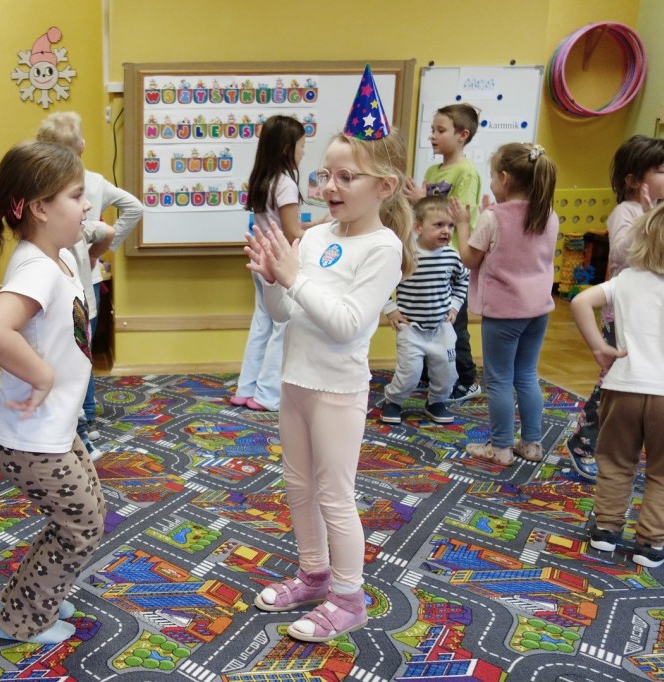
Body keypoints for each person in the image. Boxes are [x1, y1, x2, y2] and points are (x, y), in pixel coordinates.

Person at [246, 66, 416, 643]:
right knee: (298, 486)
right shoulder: (316, 236)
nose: (331, 187)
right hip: (295, 381)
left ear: (385, 187)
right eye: (325, 175)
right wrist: (273, 277)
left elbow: (346, 325)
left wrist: (293, 278)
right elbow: (282, 314)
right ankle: (314, 574)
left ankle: (349, 596)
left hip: (338, 389)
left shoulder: (383, 247)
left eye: (347, 177)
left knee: (334, 494)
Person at [0, 142, 105, 645]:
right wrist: (43, 376)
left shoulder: (56, 256)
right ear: (40, 208)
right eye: (76, 195)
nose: (87, 205)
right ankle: (19, 620)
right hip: (29, 437)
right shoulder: (38, 268)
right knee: (79, 527)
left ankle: (36, 594)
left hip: (51, 427)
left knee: (85, 513)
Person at [572, 199, 664, 567]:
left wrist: (599, 347)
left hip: (623, 386)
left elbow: (580, 302)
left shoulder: (628, 279)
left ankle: (605, 531)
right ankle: (650, 544)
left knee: (616, 461)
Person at [566, 135, 664, 481]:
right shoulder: (627, 212)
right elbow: (622, 253)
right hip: (624, 312)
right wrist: (647, 217)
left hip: (655, 310)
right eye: (663, 170)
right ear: (633, 180)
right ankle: (583, 442)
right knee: (615, 379)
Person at [36, 111, 143, 452]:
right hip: (86, 279)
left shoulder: (47, 187)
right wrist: (100, 250)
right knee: (83, 353)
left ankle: (79, 419)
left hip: (67, 280)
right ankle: (89, 419)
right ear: (81, 146)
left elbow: (132, 209)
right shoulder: (94, 181)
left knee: (67, 353)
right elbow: (134, 208)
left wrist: (98, 249)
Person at [452, 142, 558, 467]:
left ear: (505, 179)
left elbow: (470, 259)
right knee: (526, 375)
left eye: (493, 178)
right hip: (537, 311)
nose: (492, 183)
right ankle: (532, 444)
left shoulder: (493, 217)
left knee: (498, 379)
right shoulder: (548, 214)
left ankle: (500, 448)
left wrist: (462, 223)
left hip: (504, 313)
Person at [404, 103, 482, 403]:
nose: (432, 136)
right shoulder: (433, 170)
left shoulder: (466, 172)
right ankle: (431, 372)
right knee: (425, 314)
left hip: (450, 260)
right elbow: (426, 214)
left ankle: (466, 379)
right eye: (432, 130)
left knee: (451, 322)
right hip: (428, 257)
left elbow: (456, 215)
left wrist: (422, 199)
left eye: (440, 130)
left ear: (462, 135)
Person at [231, 114, 306, 411]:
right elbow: (292, 233)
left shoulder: (264, 179)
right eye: (302, 146)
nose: (303, 152)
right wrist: (323, 230)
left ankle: (246, 388)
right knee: (282, 327)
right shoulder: (286, 183)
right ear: (288, 149)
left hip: (261, 259)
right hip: (277, 264)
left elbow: (280, 226)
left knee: (262, 324)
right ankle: (266, 395)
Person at [378, 196, 468, 425]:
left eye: (450, 225)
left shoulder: (452, 255)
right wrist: (390, 309)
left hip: (441, 328)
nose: (446, 231)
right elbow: (382, 280)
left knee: (447, 373)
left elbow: (462, 280)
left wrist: (455, 306)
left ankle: (437, 402)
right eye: (438, 225)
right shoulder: (406, 255)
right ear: (418, 227)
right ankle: (393, 401)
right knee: (410, 372)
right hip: (411, 328)